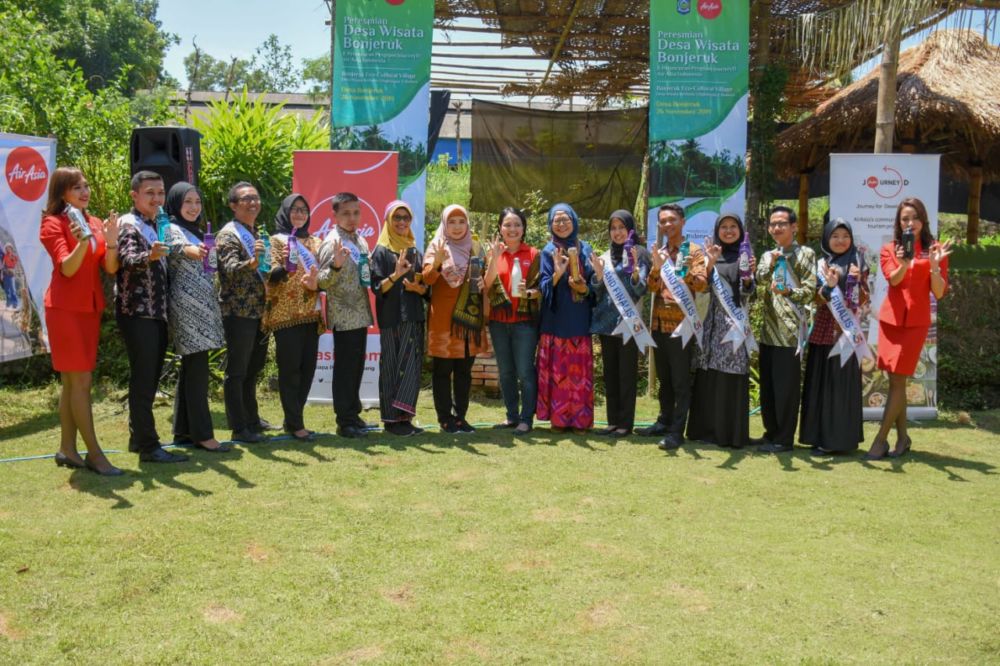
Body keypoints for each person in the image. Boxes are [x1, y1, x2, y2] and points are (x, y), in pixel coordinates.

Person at [39, 167, 123, 475]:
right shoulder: (52, 223)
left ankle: (67, 450)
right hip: (64, 310)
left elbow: (110, 268)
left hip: (90, 308)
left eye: (85, 186)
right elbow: (67, 268)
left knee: (71, 382)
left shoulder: (95, 222)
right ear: (62, 193)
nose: (85, 191)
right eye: (77, 187)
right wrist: (82, 243)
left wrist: (111, 242)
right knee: (81, 382)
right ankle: (95, 455)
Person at [866, 198, 951, 460]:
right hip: (890, 322)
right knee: (896, 382)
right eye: (905, 218)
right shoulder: (889, 249)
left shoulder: (936, 250)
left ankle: (880, 440)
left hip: (915, 323)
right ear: (898, 222)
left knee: (898, 381)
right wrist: (904, 263)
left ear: (923, 221)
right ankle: (903, 439)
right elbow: (893, 280)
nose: (910, 222)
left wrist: (934, 267)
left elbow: (939, 292)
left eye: (914, 217)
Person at [116, 171, 188, 463]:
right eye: (150, 193)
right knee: (144, 380)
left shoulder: (157, 224)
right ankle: (149, 446)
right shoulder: (129, 224)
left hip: (156, 313)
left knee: (149, 378)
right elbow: (126, 259)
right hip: (137, 312)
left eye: (160, 193)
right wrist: (150, 256)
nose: (157, 199)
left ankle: (138, 438)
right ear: (134, 196)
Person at [163, 182, 227, 452]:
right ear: (176, 203)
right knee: (197, 370)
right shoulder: (171, 229)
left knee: (192, 369)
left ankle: (183, 432)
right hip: (187, 307)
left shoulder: (197, 231)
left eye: (197, 202)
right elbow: (178, 248)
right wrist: (194, 250)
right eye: (187, 202)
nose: (193, 207)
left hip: (203, 305)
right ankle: (203, 435)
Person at [637, 203, 707, 450]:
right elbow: (652, 287)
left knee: (680, 382)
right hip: (658, 324)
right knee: (664, 380)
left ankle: (677, 432)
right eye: (663, 221)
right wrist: (657, 267)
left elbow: (701, 284)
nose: (667, 224)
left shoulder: (694, 252)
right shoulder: (660, 251)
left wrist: (686, 272)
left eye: (672, 220)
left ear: (683, 222)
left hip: (681, 327)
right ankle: (663, 422)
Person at [799, 219, 870, 455]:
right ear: (826, 239)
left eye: (845, 236)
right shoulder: (820, 264)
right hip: (823, 330)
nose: (840, 241)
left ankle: (839, 440)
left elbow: (864, 298)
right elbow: (814, 298)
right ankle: (817, 436)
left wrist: (856, 284)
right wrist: (828, 288)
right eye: (835, 236)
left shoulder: (858, 263)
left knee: (841, 385)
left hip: (846, 332)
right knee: (819, 383)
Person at [687, 213, 755, 450]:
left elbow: (749, 293)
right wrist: (710, 262)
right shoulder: (711, 257)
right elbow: (702, 288)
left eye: (733, 226)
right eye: (723, 227)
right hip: (711, 325)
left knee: (730, 377)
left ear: (740, 230)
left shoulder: (746, 257)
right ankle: (705, 431)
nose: (728, 231)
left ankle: (729, 434)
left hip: (734, 326)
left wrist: (748, 279)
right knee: (710, 376)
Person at [753, 205, 817, 454]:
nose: (776, 228)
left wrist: (789, 291)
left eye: (782, 223)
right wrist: (771, 264)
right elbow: (759, 279)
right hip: (768, 331)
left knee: (786, 389)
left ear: (794, 227)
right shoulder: (768, 255)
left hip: (790, 333)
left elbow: (810, 291)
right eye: (773, 224)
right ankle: (770, 433)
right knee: (768, 388)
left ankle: (784, 439)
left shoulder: (806, 254)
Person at [262, 194, 322, 441]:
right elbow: (269, 273)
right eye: (294, 209)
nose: (299, 214)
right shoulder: (276, 241)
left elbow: (324, 274)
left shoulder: (316, 242)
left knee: (308, 370)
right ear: (285, 212)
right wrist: (285, 266)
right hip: (285, 314)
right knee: (290, 371)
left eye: (303, 210)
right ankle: (296, 424)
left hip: (311, 313)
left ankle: (293, 420)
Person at [422, 204, 486, 434]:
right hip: (443, 320)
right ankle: (444, 418)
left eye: (461, 221)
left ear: (467, 224)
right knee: (442, 371)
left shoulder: (475, 247)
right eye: (452, 222)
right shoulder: (437, 246)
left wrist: (483, 282)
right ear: (444, 224)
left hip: (468, 318)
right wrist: (438, 262)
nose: (457, 227)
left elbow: (483, 278)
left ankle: (460, 417)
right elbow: (427, 279)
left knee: (463, 372)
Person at [217, 181, 272, 444]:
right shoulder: (228, 235)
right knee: (237, 371)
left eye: (255, 197)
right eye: (246, 199)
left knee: (253, 368)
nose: (253, 203)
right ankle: (239, 427)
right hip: (238, 310)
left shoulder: (257, 233)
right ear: (233, 205)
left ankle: (252, 419)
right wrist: (251, 262)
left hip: (259, 310)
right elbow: (228, 269)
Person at [317, 192, 374, 439]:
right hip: (343, 315)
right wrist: (336, 266)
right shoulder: (332, 242)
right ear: (335, 215)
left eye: (356, 213)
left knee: (356, 368)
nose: (352, 218)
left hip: (360, 314)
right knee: (345, 370)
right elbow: (321, 281)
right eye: (346, 213)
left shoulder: (360, 240)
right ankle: (345, 421)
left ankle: (354, 413)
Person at [590, 209, 650, 437]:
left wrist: (635, 275)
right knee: (611, 374)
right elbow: (597, 293)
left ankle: (625, 424)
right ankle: (612, 422)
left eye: (621, 228)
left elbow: (641, 289)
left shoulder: (639, 254)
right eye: (613, 228)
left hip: (628, 324)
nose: (617, 232)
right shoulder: (605, 257)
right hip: (606, 324)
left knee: (626, 375)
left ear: (630, 229)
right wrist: (597, 276)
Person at [371, 200, 428, 436]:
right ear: (388, 220)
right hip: (392, 317)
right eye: (397, 217)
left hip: (413, 317)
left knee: (411, 367)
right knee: (391, 367)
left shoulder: (415, 251)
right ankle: (390, 420)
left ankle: (405, 419)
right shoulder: (381, 251)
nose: (402, 222)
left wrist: (418, 289)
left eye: (406, 218)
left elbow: (425, 289)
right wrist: (395, 276)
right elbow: (377, 287)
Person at [536, 203, 595, 434]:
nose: (561, 224)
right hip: (555, 320)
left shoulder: (586, 249)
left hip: (579, 319)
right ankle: (558, 420)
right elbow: (543, 287)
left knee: (578, 372)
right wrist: (558, 273)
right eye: (556, 220)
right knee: (558, 372)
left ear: (574, 221)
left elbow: (595, 286)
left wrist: (584, 289)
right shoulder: (548, 251)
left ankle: (581, 421)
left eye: (566, 219)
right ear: (550, 224)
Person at [483, 207, 541, 434]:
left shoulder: (534, 254)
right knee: (506, 372)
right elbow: (487, 285)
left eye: (517, 224)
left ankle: (527, 419)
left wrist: (531, 292)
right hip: (498, 322)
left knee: (525, 371)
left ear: (523, 228)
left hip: (525, 323)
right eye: (507, 224)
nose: (512, 229)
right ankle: (511, 416)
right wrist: (494, 258)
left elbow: (541, 288)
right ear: (500, 228)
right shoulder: (494, 253)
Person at [2, 243, 18, 308]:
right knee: (6, 288)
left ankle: (15, 303)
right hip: (6, 272)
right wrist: (2, 272)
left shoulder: (14, 256)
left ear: (11, 248)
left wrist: (13, 269)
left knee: (12, 288)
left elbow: (15, 264)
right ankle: (8, 302)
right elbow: (3, 264)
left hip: (11, 272)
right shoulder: (5, 255)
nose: (8, 249)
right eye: (7, 248)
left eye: (9, 247)